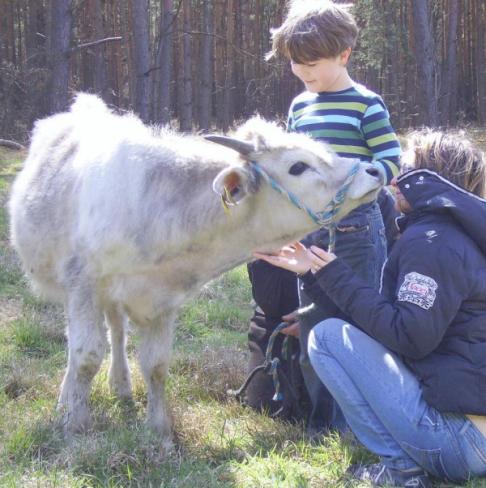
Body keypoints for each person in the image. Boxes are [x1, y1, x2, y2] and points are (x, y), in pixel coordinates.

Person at [255, 130, 486, 487]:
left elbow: (408, 338)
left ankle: (404, 472)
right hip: (471, 436)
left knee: (328, 338)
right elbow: (379, 323)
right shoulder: (451, 235)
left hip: (458, 443)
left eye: (407, 168)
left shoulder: (434, 243)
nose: (394, 178)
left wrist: (332, 272)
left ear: (432, 179)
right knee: (338, 335)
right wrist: (314, 273)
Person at [245, 0, 401, 436]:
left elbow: (390, 159)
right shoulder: (300, 106)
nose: (302, 71)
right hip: (310, 230)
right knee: (314, 321)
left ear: (344, 55)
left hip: (356, 230)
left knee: (355, 323)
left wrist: (359, 183)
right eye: (295, 64)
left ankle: (362, 422)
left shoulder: (365, 106)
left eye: (312, 63)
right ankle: (323, 425)